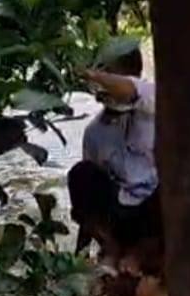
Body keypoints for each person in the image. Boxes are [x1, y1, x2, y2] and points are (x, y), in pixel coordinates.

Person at [67, 41, 162, 281]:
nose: (100, 86)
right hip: (124, 215)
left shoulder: (154, 101)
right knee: (81, 174)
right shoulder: (94, 132)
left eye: (108, 76)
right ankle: (113, 249)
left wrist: (93, 74)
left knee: (175, 182)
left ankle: (139, 255)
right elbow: (88, 200)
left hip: (158, 210)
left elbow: (130, 91)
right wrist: (79, 255)